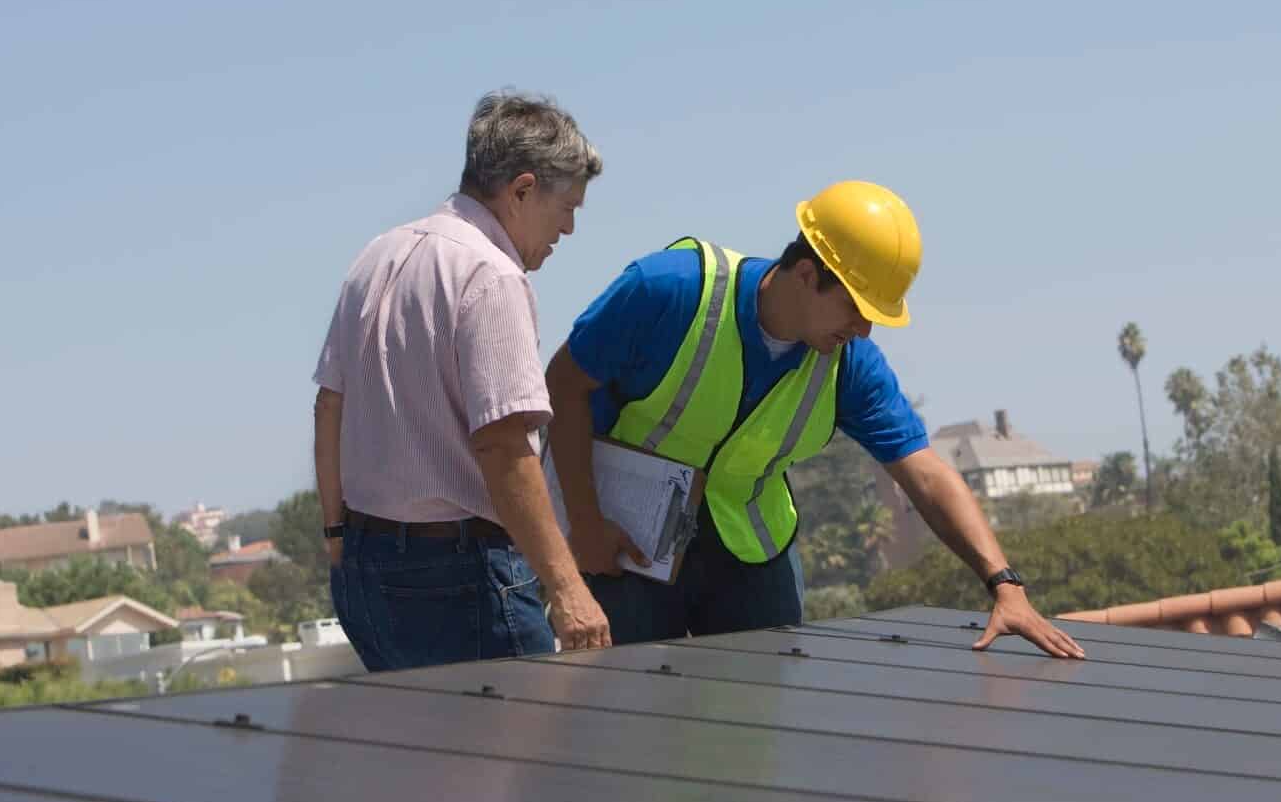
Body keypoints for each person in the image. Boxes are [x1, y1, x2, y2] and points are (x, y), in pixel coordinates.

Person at [545, 180, 1085, 658]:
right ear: (807, 274)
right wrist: (586, 522)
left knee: (751, 735)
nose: (865, 330)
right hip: (627, 543)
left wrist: (1004, 585)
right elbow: (563, 384)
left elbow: (924, 473)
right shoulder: (669, 290)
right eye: (856, 308)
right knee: (625, 719)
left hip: (750, 556)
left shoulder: (850, 364)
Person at [312, 92, 612, 671]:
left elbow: (330, 406)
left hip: (365, 570)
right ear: (522, 190)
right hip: (461, 580)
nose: (570, 228)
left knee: (424, 759)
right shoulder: (491, 275)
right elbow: (504, 446)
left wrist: (336, 538)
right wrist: (568, 591)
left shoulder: (377, 255)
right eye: (566, 207)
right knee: (525, 758)